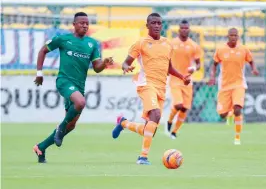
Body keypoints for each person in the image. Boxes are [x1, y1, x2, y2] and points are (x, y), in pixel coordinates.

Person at [33, 12, 114, 163]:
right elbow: (43, 50)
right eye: (82, 23)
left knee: (71, 125)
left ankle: (41, 147)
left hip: (79, 86)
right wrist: (39, 73)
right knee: (80, 103)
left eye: (87, 23)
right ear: (74, 24)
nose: (85, 25)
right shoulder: (63, 39)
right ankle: (60, 128)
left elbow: (96, 67)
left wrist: (105, 63)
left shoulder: (92, 44)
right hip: (64, 81)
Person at [111, 13, 191, 165]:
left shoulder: (168, 44)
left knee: (150, 129)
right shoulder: (140, 43)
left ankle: (124, 123)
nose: (156, 25)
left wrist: (182, 77)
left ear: (162, 26)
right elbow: (126, 63)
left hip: (161, 87)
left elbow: (169, 68)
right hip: (146, 84)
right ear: (147, 25)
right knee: (155, 114)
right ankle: (142, 157)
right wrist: (127, 67)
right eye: (153, 23)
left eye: (159, 23)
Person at [208, 28, 259, 145]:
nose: (233, 37)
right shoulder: (220, 50)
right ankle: (228, 115)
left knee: (237, 109)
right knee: (222, 115)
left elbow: (251, 60)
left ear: (238, 37)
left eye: (235, 35)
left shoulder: (243, 49)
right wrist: (212, 77)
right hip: (224, 85)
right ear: (228, 36)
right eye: (231, 35)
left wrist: (254, 68)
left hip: (239, 84)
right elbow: (214, 64)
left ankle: (237, 138)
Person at [167, 20, 202, 139]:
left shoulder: (194, 45)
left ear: (189, 30)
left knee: (184, 108)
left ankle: (174, 132)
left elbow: (198, 64)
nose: (184, 30)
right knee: (178, 105)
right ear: (179, 30)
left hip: (187, 80)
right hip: (175, 79)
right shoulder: (172, 44)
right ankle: (169, 121)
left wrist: (194, 68)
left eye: (186, 28)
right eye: (182, 28)